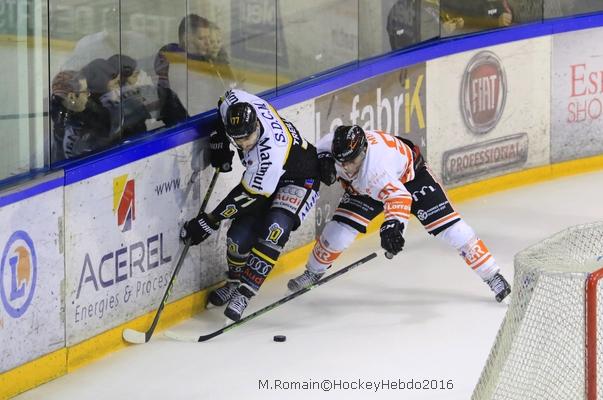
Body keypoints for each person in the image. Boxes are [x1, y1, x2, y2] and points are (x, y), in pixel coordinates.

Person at [287, 125, 511, 303]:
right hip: (367, 189)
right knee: (337, 233)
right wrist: (323, 160)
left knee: (455, 231)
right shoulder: (339, 148)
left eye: (351, 161)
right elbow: (318, 150)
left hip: (412, 180)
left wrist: (392, 228)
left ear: (363, 152)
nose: (345, 168)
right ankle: (313, 273)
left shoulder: (376, 170)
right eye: (341, 161)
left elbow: (399, 198)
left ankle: (493, 275)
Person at [179, 89, 321, 321]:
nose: (243, 145)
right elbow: (223, 101)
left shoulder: (270, 154)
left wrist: (209, 221)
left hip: (299, 178)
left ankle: (245, 292)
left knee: (275, 230)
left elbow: (247, 195)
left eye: (247, 138)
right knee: (237, 238)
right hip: (265, 182)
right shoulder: (235, 104)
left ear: (256, 125)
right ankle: (234, 281)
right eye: (237, 140)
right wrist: (220, 141)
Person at [50, 69, 118, 161]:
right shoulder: (67, 122)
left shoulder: (92, 114)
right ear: (72, 97)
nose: (88, 95)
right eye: (85, 91)